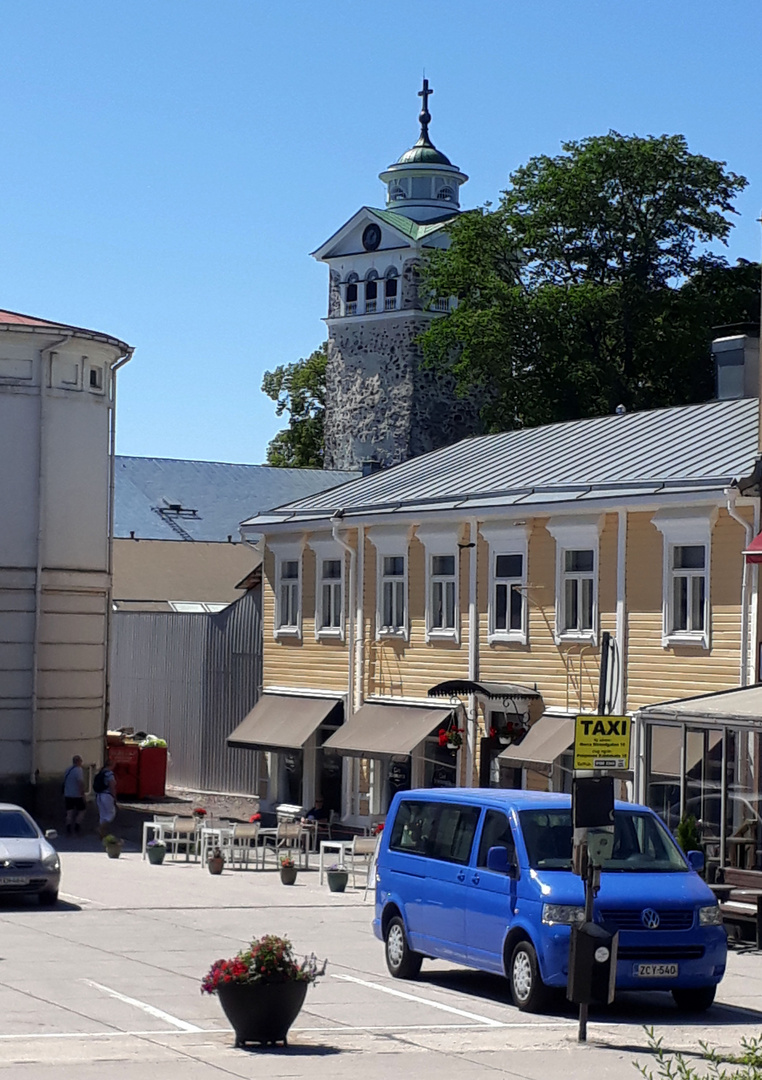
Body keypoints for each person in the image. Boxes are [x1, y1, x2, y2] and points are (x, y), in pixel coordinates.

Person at [94, 757, 118, 838]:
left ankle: (102, 834)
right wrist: (114, 798)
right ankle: (100, 829)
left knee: (103, 815)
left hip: (99, 795)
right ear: (111, 765)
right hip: (107, 795)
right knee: (110, 815)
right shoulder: (109, 773)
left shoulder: (101, 772)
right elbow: (112, 786)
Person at [63, 755, 86, 836]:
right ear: (78, 761)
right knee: (82, 810)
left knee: (69, 812)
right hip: (77, 795)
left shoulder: (67, 770)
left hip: (68, 794)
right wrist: (83, 794)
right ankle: (77, 825)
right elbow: (80, 782)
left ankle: (68, 828)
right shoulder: (78, 770)